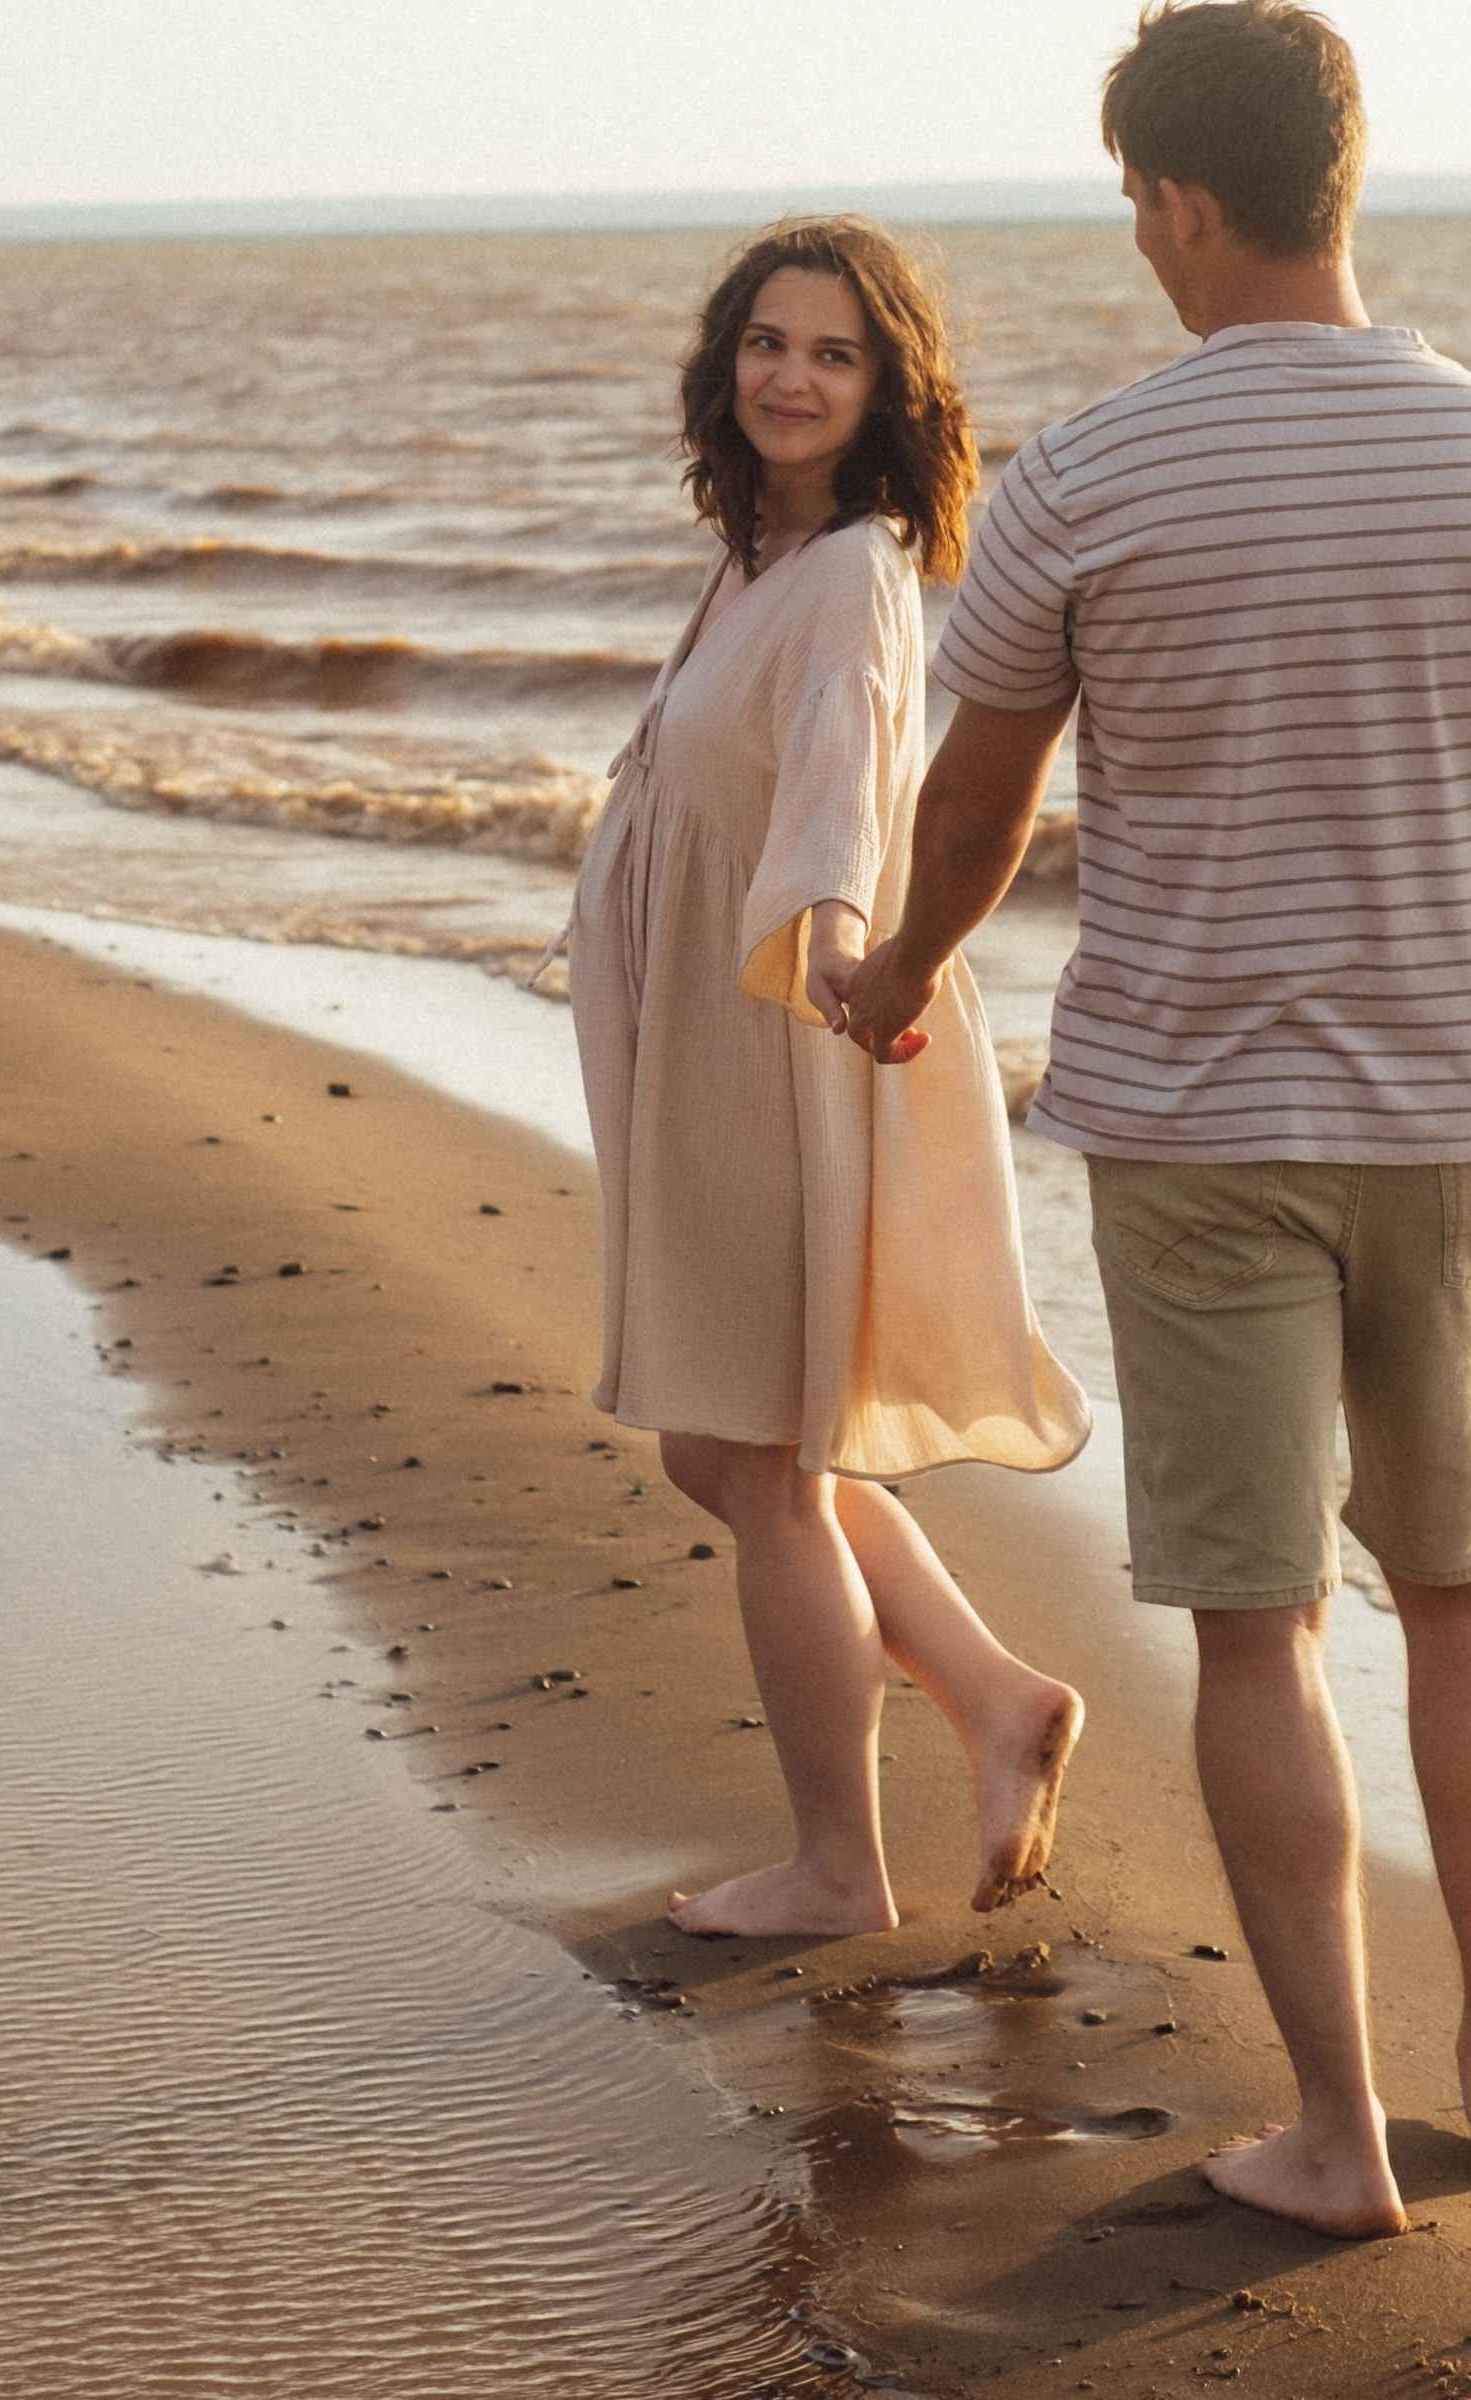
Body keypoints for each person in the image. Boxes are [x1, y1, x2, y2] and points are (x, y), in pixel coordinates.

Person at [836, 0, 1471, 2231]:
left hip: (1200, 1117)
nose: (1137, 238)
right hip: (1462, 1115)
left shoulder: (1095, 474)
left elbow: (978, 794)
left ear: (1179, 200)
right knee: (1460, 1578)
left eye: (1135, 201)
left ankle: (1332, 2129)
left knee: (1251, 1620)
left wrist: (893, 976)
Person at [569, 216, 1091, 1943]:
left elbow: (844, 794)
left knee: (761, 1460)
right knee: (720, 1451)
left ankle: (839, 1871)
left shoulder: (856, 571)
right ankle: (994, 1695)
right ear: (730, 365)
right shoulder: (760, 559)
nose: (792, 376)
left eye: (836, 353)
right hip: (711, 1045)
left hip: (783, 1033)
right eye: (770, 344)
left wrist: (845, 951)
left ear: (888, 394)